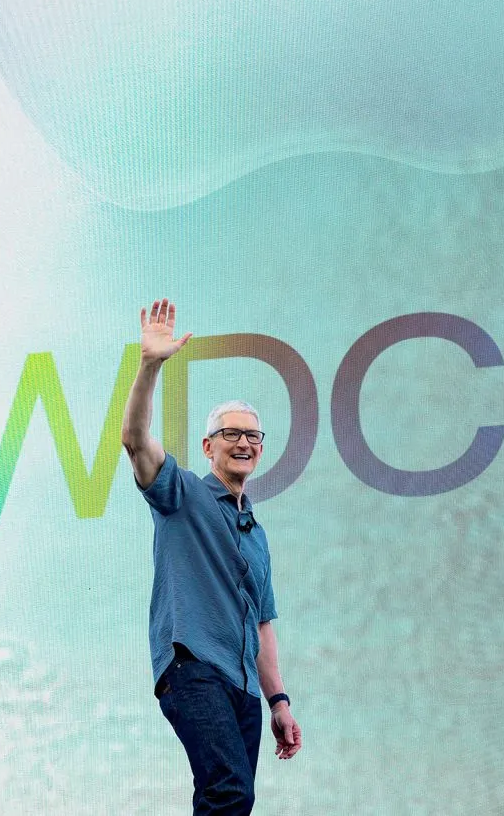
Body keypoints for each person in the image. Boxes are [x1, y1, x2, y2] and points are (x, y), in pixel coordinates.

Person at [121, 298, 302, 815]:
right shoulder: (181, 494)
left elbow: (263, 626)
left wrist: (279, 702)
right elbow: (134, 440)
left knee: (229, 803)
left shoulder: (257, 535)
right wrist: (150, 365)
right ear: (208, 446)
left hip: (244, 689)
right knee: (230, 791)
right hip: (194, 668)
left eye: (252, 435)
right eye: (230, 434)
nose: (242, 442)